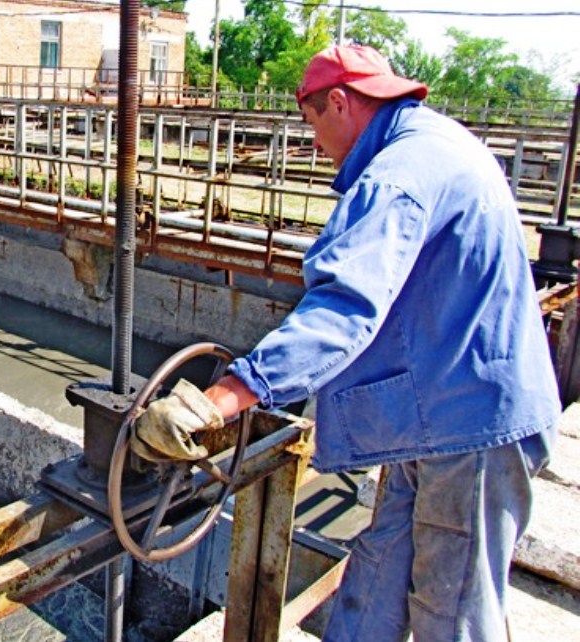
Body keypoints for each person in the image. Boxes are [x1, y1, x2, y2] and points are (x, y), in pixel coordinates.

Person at [133, 45, 561, 642]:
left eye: (312, 124)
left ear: (340, 101)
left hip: (472, 427)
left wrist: (223, 399)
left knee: (454, 610)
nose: (314, 144)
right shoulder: (434, 144)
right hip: (431, 412)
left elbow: (343, 310)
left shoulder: (397, 175)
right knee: (379, 574)